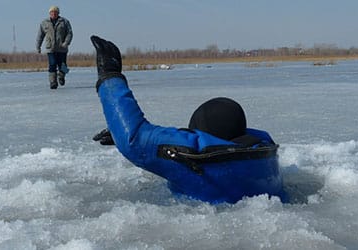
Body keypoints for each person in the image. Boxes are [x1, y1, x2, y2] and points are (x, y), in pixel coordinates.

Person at [90, 35, 288, 204]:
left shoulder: (203, 161)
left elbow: (134, 141)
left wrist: (110, 75)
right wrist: (117, 130)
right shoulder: (260, 152)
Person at [36, 6, 73, 89]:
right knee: (52, 64)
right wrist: (38, 46)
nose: (53, 13)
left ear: (58, 13)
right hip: (50, 49)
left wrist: (66, 42)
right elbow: (40, 36)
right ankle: (53, 82)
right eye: (52, 12)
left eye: (55, 12)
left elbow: (69, 33)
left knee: (63, 65)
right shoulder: (44, 23)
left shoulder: (64, 22)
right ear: (49, 13)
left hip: (62, 48)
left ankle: (61, 76)